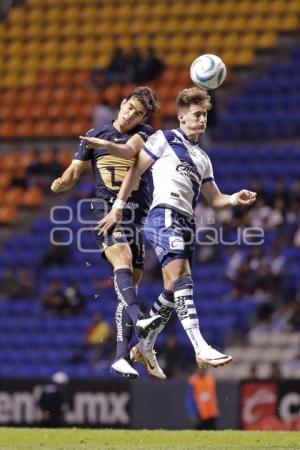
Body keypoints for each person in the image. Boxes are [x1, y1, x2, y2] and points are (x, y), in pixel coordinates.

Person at [97, 87, 257, 370]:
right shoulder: (164, 138)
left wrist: (235, 198)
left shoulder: (203, 158)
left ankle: (144, 346)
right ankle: (200, 346)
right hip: (163, 215)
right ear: (182, 117)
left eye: (205, 115)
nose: (202, 120)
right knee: (183, 278)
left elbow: (215, 199)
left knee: (173, 287)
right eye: (197, 114)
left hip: (187, 221)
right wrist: (119, 204)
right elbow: (135, 168)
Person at [51, 87, 162, 379]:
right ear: (122, 103)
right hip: (105, 211)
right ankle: (141, 321)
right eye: (130, 108)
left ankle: (119, 357)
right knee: (122, 260)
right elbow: (74, 172)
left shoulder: (146, 134)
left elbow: (127, 151)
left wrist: (102, 143)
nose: (131, 114)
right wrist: (62, 182)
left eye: (138, 113)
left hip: (136, 215)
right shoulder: (93, 134)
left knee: (130, 290)